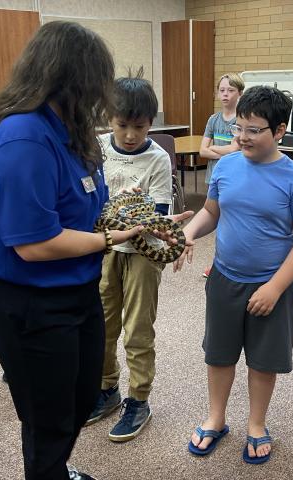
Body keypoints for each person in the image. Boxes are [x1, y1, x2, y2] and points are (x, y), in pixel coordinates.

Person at [0, 21, 145, 480]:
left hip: (75, 286)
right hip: (26, 298)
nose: (100, 94)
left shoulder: (70, 132)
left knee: (78, 396)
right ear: (72, 77)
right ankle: (48, 473)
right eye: (96, 81)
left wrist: (141, 223)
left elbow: (87, 203)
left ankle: (55, 466)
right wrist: (113, 239)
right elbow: (35, 244)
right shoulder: (23, 138)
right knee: (47, 414)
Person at [174, 86, 293, 464]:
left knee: (263, 360)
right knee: (219, 355)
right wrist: (188, 234)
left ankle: (256, 424)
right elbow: (211, 212)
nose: (242, 137)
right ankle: (216, 418)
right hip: (224, 278)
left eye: (254, 130)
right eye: (239, 127)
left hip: (273, 283)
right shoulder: (227, 165)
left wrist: (274, 287)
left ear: (279, 129)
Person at [85, 68, 176, 441]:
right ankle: (107, 390)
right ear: (109, 118)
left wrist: (124, 216)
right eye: (122, 125)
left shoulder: (157, 159)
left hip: (143, 253)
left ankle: (139, 399)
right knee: (102, 325)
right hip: (103, 248)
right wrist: (121, 216)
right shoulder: (98, 147)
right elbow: (90, 199)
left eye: (139, 127)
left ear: (150, 124)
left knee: (137, 328)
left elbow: (153, 216)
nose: (130, 135)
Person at [199, 73, 244, 278]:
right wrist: (223, 149)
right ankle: (217, 264)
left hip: (234, 177)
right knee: (215, 221)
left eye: (231, 90)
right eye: (222, 90)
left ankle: (230, 264)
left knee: (231, 223)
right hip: (214, 177)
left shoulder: (241, 119)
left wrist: (215, 150)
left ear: (240, 93)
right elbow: (202, 151)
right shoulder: (213, 119)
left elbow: (235, 150)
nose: (225, 94)